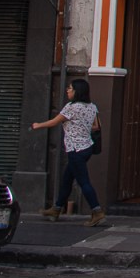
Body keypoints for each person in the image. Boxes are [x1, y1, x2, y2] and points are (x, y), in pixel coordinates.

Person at [31, 78, 105, 227]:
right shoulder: (92, 107)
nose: (68, 90)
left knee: (84, 182)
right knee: (67, 179)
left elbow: (54, 122)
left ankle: (97, 211)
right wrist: (82, 126)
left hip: (75, 149)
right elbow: (97, 126)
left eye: (70, 88)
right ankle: (57, 208)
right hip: (87, 147)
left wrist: (38, 125)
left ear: (77, 91)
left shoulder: (71, 107)